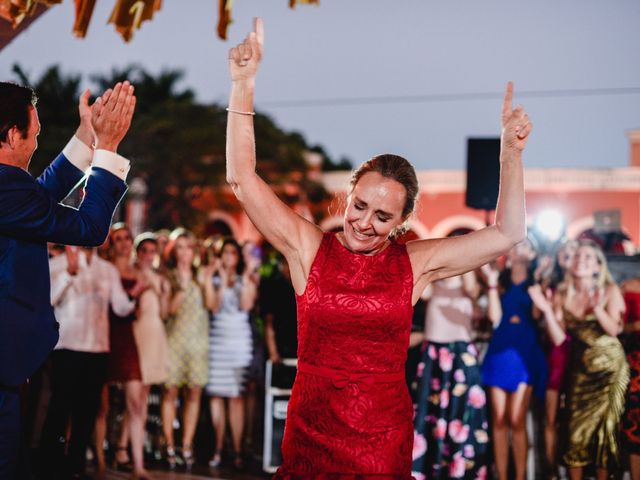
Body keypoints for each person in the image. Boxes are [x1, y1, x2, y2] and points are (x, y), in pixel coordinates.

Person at [225, 18, 531, 477]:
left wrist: (509, 155)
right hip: (311, 431)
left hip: (381, 438)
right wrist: (243, 86)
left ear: (402, 222)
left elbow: (508, 232)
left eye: (382, 217)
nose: (364, 223)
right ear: (348, 195)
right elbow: (242, 179)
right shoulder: (309, 248)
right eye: (359, 205)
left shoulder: (416, 264)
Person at [0, 80, 135, 477]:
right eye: (35, 135)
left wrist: (86, 136)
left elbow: (38, 199)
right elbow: (91, 227)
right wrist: (107, 148)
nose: (37, 144)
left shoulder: (9, 189)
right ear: (12, 134)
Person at [529, 239, 628, 480]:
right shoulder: (562, 293)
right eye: (578, 256)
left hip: (610, 370)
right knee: (574, 431)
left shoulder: (610, 290)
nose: (581, 260)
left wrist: (597, 309)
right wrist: (547, 309)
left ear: (597, 266)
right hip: (580, 369)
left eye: (587, 257)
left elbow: (615, 330)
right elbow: (559, 339)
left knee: (606, 432)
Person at [40, 245, 136, 479]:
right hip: (68, 346)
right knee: (60, 407)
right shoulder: (58, 264)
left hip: (97, 348)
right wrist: (69, 274)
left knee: (88, 410)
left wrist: (136, 293)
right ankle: (49, 463)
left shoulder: (107, 269)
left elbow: (120, 307)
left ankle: (76, 463)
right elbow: (48, 299)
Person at [411, 271, 489, 479]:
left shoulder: (469, 289)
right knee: (430, 414)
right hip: (434, 358)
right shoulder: (431, 286)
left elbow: (476, 293)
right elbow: (417, 282)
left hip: (461, 359)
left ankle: (460, 471)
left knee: (461, 414)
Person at [480, 240, 548, 480]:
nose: (520, 247)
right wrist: (490, 284)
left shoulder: (536, 283)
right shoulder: (500, 281)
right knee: (499, 420)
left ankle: (520, 476)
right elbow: (494, 317)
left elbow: (538, 316)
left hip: (525, 353)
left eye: (527, 245)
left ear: (533, 254)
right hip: (500, 353)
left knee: (517, 419)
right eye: (517, 244)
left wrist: (539, 285)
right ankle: (501, 475)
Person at [94, 223, 150, 479]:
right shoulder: (104, 270)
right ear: (112, 244)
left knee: (137, 402)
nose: (125, 243)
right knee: (101, 407)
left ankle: (138, 466)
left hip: (128, 337)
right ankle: (100, 463)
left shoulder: (138, 271)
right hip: (104, 335)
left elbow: (137, 311)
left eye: (128, 238)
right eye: (119, 239)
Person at [205, 238, 256, 469]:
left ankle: (236, 449)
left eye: (233, 253)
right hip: (217, 341)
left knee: (236, 397)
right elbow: (213, 306)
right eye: (224, 253)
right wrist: (221, 283)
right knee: (216, 396)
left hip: (238, 344)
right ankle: (217, 447)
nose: (228, 257)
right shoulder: (212, 279)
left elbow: (246, 305)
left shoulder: (247, 279)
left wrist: (243, 280)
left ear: (238, 257)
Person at [161, 228, 209, 468]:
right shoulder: (168, 276)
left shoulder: (201, 275)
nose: (184, 253)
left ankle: (187, 445)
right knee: (170, 392)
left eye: (188, 247)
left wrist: (205, 283)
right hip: (174, 340)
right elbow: (167, 311)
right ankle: (169, 445)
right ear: (173, 250)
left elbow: (212, 305)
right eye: (179, 247)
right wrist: (180, 288)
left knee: (194, 393)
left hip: (198, 341)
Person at [622, 275, 640, 480]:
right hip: (636, 363)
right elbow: (619, 327)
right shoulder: (629, 286)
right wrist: (634, 327)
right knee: (635, 423)